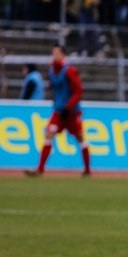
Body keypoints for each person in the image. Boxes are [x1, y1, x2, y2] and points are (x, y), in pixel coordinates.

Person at [25, 45, 91, 177]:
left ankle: (87, 170)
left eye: (57, 53)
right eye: (53, 53)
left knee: (80, 138)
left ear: (63, 55)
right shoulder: (52, 71)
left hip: (71, 113)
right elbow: (56, 90)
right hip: (58, 112)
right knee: (49, 134)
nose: (54, 56)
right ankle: (40, 169)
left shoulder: (69, 70)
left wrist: (69, 107)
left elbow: (78, 91)